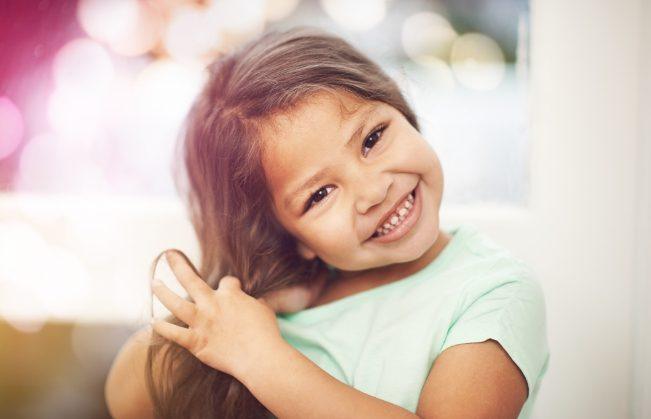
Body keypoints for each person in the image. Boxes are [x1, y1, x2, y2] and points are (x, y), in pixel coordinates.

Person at [105, 26, 550, 419]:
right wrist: (259, 303)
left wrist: (263, 360)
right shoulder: (279, 310)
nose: (373, 191)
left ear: (401, 109)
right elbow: (126, 397)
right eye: (319, 195)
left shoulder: (493, 293)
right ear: (291, 237)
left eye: (373, 138)